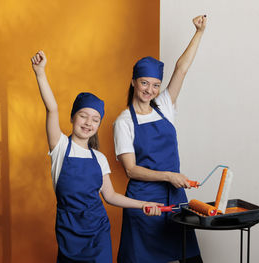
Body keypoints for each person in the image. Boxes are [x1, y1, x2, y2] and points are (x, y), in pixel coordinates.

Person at [31, 51, 162, 263]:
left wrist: (143, 204)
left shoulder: (99, 158)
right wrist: (40, 73)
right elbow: (52, 108)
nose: (88, 123)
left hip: (98, 231)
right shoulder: (60, 147)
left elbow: (110, 196)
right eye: (83, 116)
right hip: (68, 232)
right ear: (73, 117)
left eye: (95, 119)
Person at [113, 15, 207, 263]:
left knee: (190, 258)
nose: (150, 90)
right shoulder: (123, 122)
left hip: (175, 200)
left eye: (155, 85)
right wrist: (168, 176)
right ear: (133, 82)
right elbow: (131, 170)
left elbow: (181, 68)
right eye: (144, 83)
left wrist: (199, 32)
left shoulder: (164, 106)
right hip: (144, 203)